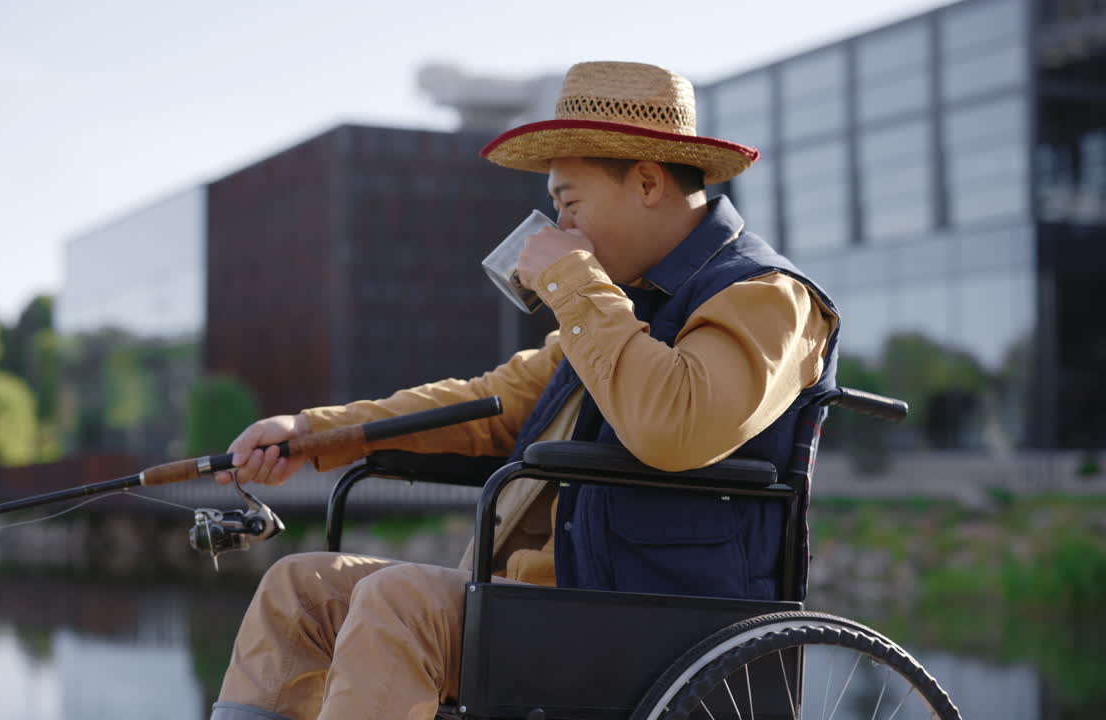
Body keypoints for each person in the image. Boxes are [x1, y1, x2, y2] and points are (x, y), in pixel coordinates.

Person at [208, 61, 840, 720]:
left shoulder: (766, 296)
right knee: (298, 589)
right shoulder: (626, 306)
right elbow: (493, 401)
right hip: (553, 602)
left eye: (569, 203)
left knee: (399, 602)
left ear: (648, 182)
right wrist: (312, 432)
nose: (558, 227)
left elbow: (675, 425)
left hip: (652, 615)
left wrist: (573, 278)